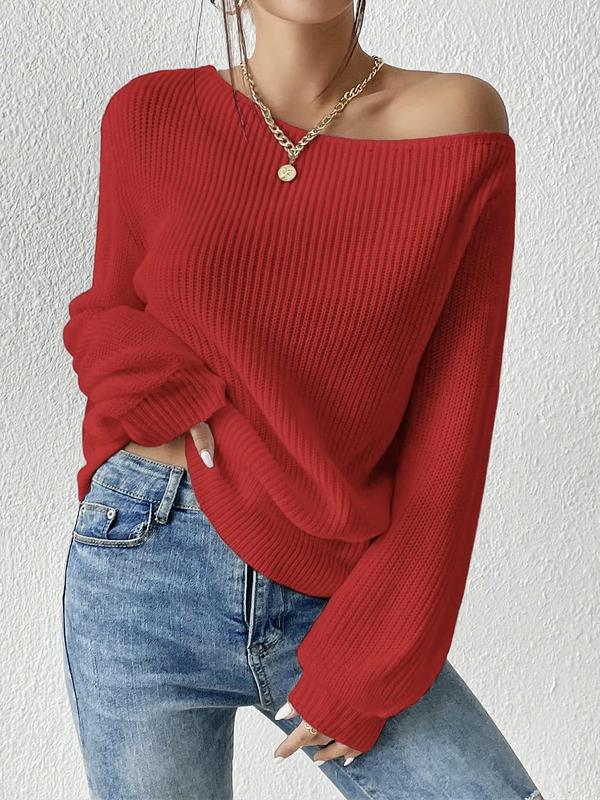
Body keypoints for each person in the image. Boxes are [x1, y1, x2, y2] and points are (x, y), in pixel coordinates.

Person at [60, 1, 545, 798]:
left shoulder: (458, 119)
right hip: (143, 554)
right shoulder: (149, 112)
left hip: (333, 574)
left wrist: (376, 658)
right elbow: (105, 317)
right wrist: (176, 390)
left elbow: (455, 417)